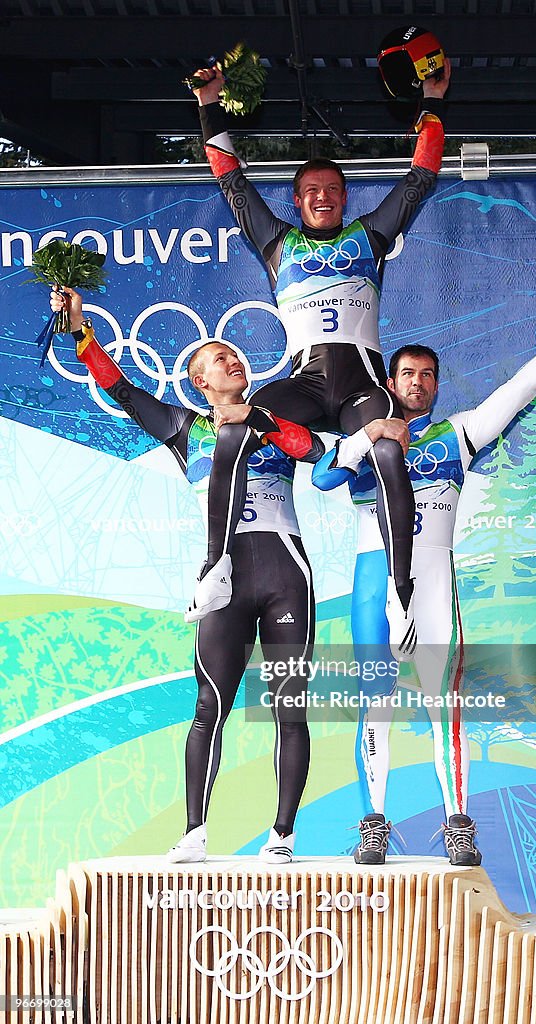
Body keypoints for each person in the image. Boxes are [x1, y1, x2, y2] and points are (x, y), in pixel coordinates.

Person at [312, 297, 536, 866]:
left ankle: (456, 825)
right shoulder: (365, 436)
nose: (418, 383)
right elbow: (323, 477)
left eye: (428, 376)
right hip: (374, 584)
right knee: (377, 706)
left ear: (437, 386)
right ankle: (374, 823)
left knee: (444, 706)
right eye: (408, 374)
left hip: (434, 583)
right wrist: (367, 435)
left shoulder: (459, 434)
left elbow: (519, 390)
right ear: (389, 382)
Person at [50, 286, 325, 864]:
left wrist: (261, 418)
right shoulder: (184, 430)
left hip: (284, 573)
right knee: (209, 707)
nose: (233, 362)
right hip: (224, 581)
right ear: (200, 382)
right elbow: (121, 389)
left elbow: (309, 450)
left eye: (235, 356)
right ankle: (195, 832)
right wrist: (81, 331)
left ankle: (282, 836)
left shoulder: (273, 418)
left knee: (289, 706)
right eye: (218, 360)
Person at [189, 58, 451, 659]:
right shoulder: (278, 243)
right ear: (299, 201)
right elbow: (233, 185)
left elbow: (418, 180)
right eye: (312, 192)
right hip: (305, 386)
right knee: (242, 419)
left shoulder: (370, 236)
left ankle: (400, 590)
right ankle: (217, 565)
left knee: (387, 450)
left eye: (332, 191)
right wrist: (208, 104)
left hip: (361, 386)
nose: (323, 198)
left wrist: (432, 103)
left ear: (344, 197)